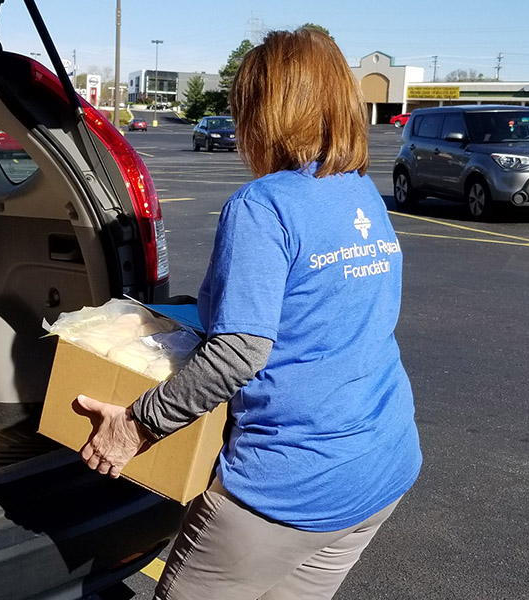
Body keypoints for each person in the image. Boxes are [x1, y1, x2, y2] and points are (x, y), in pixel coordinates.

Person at [75, 28, 422, 600]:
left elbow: (240, 351)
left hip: (290, 487)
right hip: (382, 465)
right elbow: (318, 311)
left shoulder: (263, 206)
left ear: (263, 113)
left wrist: (134, 426)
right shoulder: (358, 191)